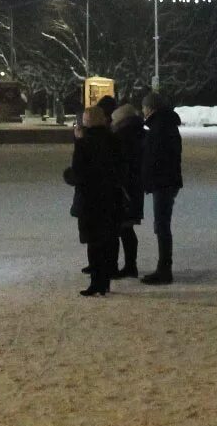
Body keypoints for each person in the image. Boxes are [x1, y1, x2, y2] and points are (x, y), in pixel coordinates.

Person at [65, 105, 123, 296]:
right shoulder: (112, 139)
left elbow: (79, 171)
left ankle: (97, 282)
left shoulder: (87, 142)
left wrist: (78, 143)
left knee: (94, 242)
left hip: (90, 199)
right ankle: (104, 281)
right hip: (110, 197)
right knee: (106, 240)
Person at [140, 91, 182, 285]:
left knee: (162, 226)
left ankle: (164, 269)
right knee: (162, 225)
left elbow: (155, 157)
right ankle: (164, 267)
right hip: (167, 180)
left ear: (151, 108)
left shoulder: (160, 127)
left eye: (145, 107)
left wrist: (147, 178)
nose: (143, 111)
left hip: (163, 182)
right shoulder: (166, 125)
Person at [110, 101, 145, 278]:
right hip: (135, 187)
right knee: (127, 227)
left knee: (121, 227)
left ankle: (125, 266)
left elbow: (120, 162)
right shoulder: (139, 133)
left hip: (124, 187)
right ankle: (131, 264)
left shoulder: (123, 136)